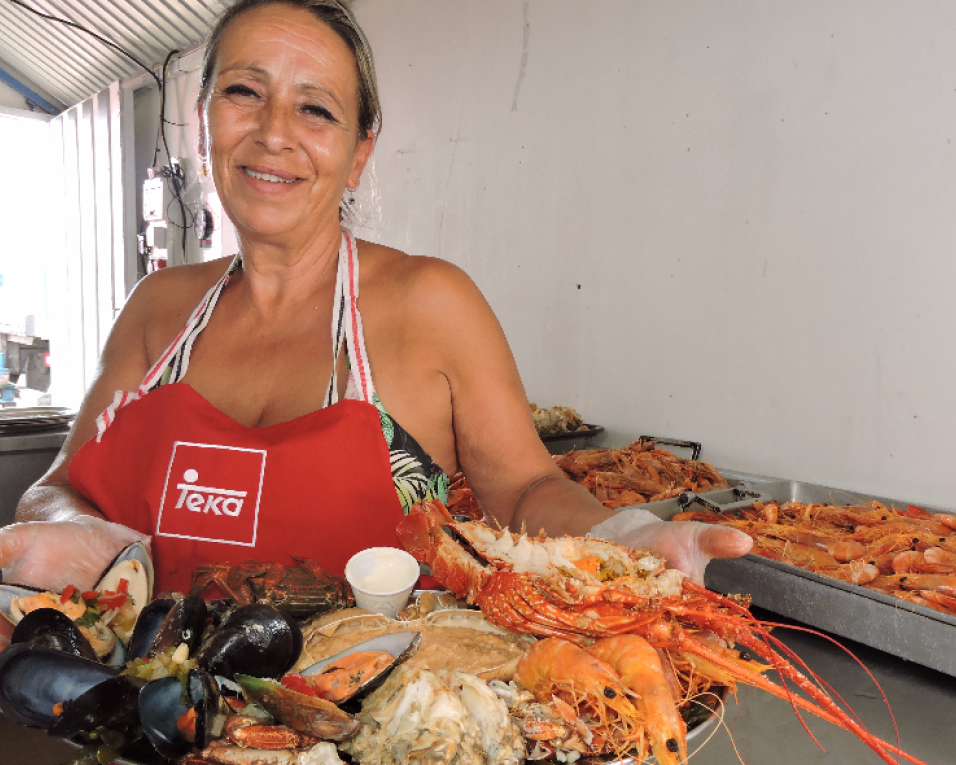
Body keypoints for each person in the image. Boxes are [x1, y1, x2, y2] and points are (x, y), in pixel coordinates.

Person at [0, 0, 750, 607]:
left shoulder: (430, 303)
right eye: (243, 92)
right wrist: (75, 531)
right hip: (150, 719)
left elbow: (525, 488)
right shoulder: (155, 311)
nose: (272, 133)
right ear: (203, 123)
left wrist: (624, 534)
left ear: (360, 150)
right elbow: (55, 488)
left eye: (316, 110)